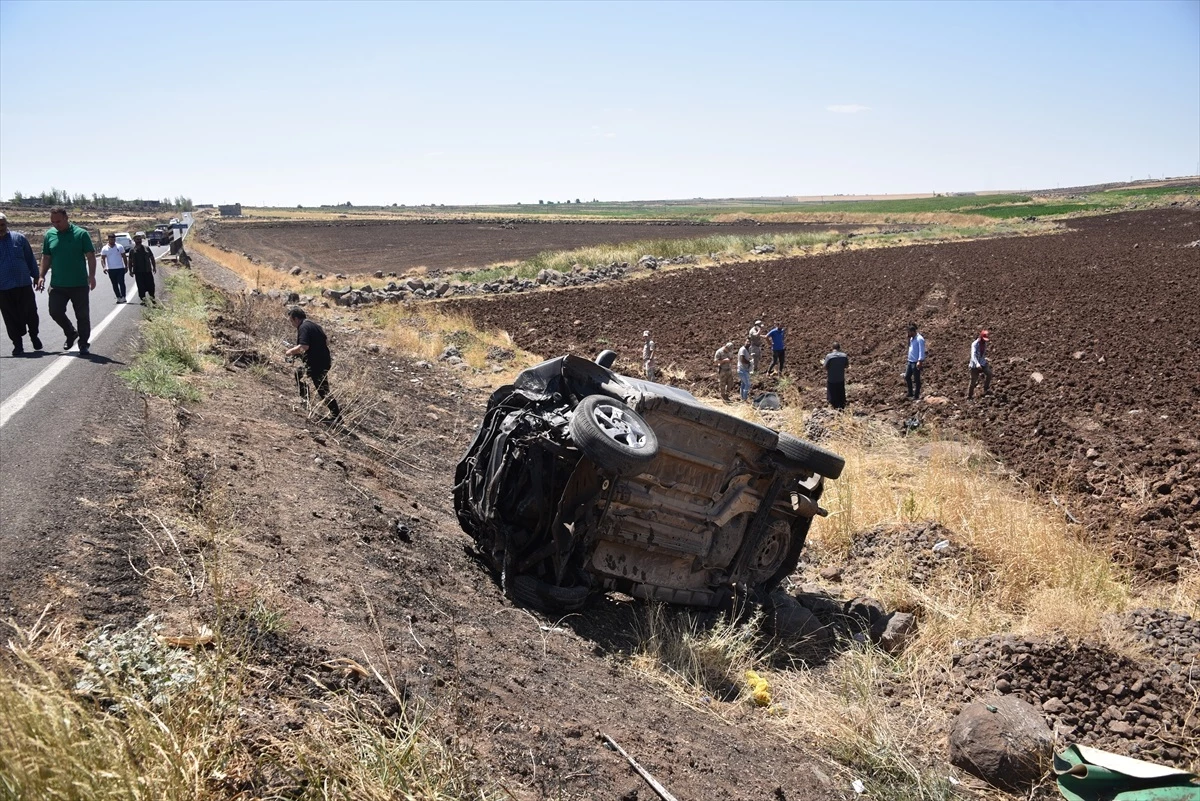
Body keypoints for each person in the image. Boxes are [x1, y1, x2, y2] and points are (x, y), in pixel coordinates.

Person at [38, 206, 96, 355]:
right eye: (53, 222)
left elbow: (90, 255)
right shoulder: (49, 235)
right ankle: (70, 333)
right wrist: (41, 276)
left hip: (79, 284)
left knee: (82, 315)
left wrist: (92, 276)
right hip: (58, 284)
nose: (56, 224)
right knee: (55, 311)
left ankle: (83, 343)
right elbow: (46, 257)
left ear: (66, 218)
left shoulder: (81, 234)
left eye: (58, 221)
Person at [285, 307, 342, 422]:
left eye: (291, 321)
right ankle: (307, 402)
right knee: (301, 374)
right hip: (323, 360)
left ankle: (335, 416)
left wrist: (290, 352)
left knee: (322, 388)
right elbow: (324, 341)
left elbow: (304, 346)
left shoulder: (303, 327)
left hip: (317, 363)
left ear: (296, 319)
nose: (291, 324)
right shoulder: (314, 325)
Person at [0, 213, 43, 356]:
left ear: (6, 224)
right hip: (3, 288)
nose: (0, 228)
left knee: (31, 312)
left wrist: (36, 276)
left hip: (23, 284)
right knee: (10, 317)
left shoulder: (19, 238)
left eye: (2, 224)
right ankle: (17, 345)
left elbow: (30, 258)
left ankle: (34, 336)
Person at [127, 232, 156, 303]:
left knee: (151, 285)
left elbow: (152, 258)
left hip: (147, 271)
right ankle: (143, 299)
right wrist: (130, 271)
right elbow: (130, 262)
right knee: (140, 286)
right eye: (137, 239)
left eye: (140, 239)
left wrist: (154, 267)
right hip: (138, 272)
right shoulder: (132, 251)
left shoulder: (147, 249)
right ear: (134, 240)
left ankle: (152, 298)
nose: (139, 240)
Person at [100, 233, 129, 302]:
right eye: (111, 239)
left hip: (120, 268)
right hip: (111, 269)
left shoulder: (120, 247)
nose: (112, 241)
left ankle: (123, 297)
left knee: (121, 283)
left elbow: (124, 257)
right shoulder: (105, 248)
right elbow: (102, 258)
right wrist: (104, 267)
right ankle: (118, 297)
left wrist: (126, 266)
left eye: (113, 239)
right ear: (108, 239)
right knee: (114, 284)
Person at [823, 342, 849, 410]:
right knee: (840, 390)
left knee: (832, 391)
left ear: (832, 348)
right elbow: (846, 365)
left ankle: (832, 404)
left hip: (832, 378)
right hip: (840, 378)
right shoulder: (844, 356)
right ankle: (841, 403)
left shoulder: (829, 356)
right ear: (839, 348)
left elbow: (825, 367)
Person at [968, 329, 993, 399]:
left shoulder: (984, 343)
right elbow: (973, 355)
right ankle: (969, 396)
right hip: (974, 365)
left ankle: (986, 389)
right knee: (973, 381)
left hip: (982, 363)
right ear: (980, 337)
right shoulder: (974, 344)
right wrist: (977, 364)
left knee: (989, 373)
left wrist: (983, 361)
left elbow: (983, 354)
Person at [905, 322, 926, 400]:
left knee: (916, 379)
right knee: (907, 376)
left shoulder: (919, 339)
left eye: (909, 332)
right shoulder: (911, 338)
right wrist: (908, 339)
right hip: (910, 361)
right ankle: (910, 392)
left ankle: (916, 395)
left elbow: (921, 350)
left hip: (915, 362)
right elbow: (910, 347)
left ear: (913, 331)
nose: (908, 333)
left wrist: (920, 361)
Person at [737, 337, 753, 402]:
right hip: (742, 369)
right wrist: (749, 362)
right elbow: (742, 359)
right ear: (745, 341)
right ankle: (744, 399)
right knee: (747, 384)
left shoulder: (747, 349)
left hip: (744, 369)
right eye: (747, 341)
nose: (748, 343)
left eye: (749, 342)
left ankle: (742, 398)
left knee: (743, 384)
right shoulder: (743, 350)